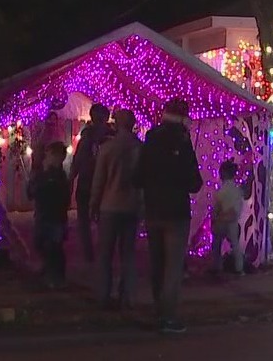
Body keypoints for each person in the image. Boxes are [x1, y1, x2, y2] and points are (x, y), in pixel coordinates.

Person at [134, 99, 203, 334]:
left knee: (157, 262)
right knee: (173, 266)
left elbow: (138, 175)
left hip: (153, 209)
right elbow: (195, 182)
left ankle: (157, 309)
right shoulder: (182, 141)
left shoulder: (152, 138)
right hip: (176, 211)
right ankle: (168, 315)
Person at [89, 109, 142, 309]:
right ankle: (127, 295)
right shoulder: (140, 148)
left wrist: (94, 204)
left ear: (117, 124)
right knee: (128, 253)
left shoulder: (107, 148)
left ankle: (103, 294)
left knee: (105, 253)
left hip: (109, 206)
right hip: (131, 205)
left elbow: (99, 180)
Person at [70, 104, 115, 263]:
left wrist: (71, 178)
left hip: (91, 183)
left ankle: (91, 254)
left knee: (86, 222)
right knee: (102, 220)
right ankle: (102, 252)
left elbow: (78, 160)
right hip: (104, 184)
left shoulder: (89, 136)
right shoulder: (112, 136)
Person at [27, 142, 70, 289]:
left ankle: (56, 276)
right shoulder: (42, 174)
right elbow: (32, 192)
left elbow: (63, 196)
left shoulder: (60, 176)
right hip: (43, 214)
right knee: (41, 242)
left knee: (54, 247)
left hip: (55, 216)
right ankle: (50, 272)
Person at [210, 160, 244, 276]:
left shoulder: (222, 190)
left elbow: (217, 206)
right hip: (233, 221)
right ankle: (239, 268)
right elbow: (238, 207)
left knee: (216, 244)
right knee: (235, 244)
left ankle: (216, 267)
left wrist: (215, 218)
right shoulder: (237, 190)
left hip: (222, 220)